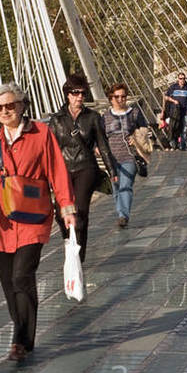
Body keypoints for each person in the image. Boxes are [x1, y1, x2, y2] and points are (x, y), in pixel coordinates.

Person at [0, 83, 75, 360]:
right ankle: (21, 329)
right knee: (8, 282)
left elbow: (57, 171)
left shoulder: (41, 134)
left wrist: (66, 207)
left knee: (21, 276)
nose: (5, 111)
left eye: (10, 105)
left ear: (22, 105)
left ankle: (21, 340)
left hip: (34, 217)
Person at [48, 73, 117, 263]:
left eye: (82, 93)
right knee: (60, 213)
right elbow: (50, 150)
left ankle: (78, 254)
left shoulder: (93, 117)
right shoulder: (57, 120)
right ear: (67, 95)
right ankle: (68, 240)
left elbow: (103, 145)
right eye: (75, 93)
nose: (79, 97)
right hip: (62, 169)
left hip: (86, 167)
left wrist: (112, 170)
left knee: (80, 211)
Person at [103, 82, 149, 227]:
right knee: (116, 187)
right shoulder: (104, 117)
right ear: (111, 98)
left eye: (123, 96)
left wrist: (135, 137)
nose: (120, 99)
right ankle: (120, 212)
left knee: (126, 185)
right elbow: (100, 136)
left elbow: (144, 130)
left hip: (130, 156)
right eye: (117, 97)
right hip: (111, 158)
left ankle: (123, 215)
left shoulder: (134, 113)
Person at [164, 71, 187, 149]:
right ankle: (174, 144)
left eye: (183, 78)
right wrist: (174, 101)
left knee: (184, 129)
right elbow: (166, 97)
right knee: (174, 128)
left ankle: (182, 147)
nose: (182, 80)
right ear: (178, 79)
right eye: (180, 78)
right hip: (175, 113)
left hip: (185, 112)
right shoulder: (173, 87)